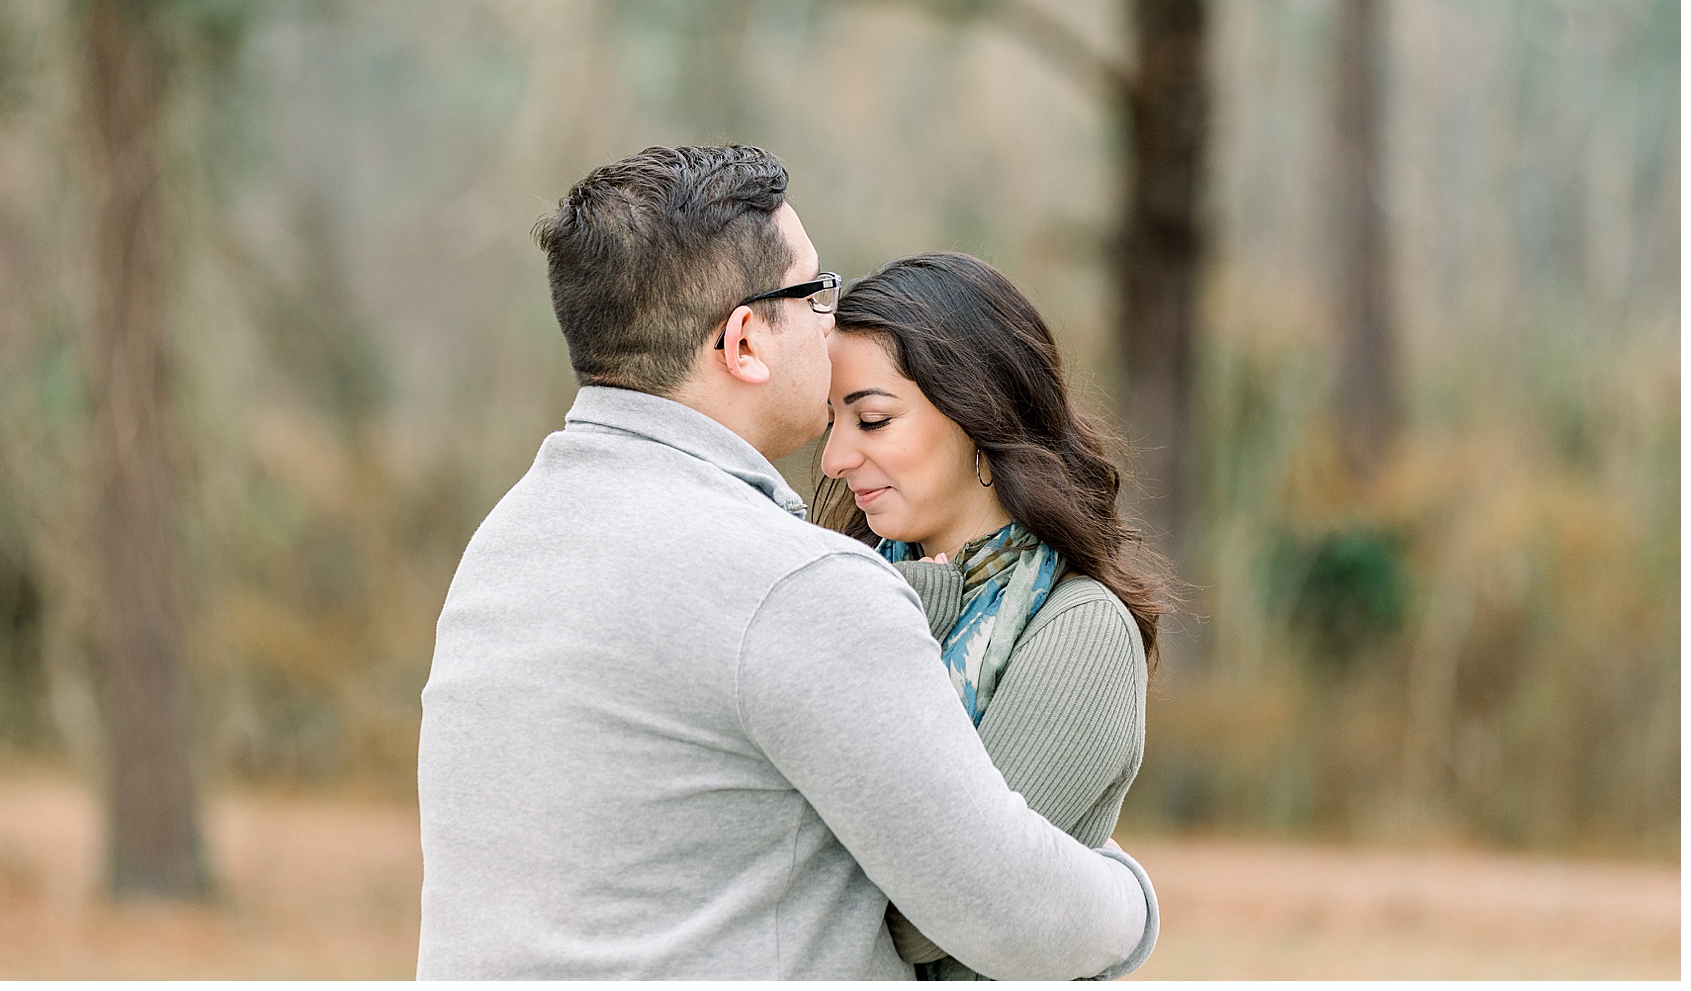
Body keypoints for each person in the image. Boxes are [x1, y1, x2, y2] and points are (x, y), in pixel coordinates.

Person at [416, 145, 1159, 979]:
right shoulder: (795, 586)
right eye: (813, 293)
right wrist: (1131, 897)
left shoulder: (507, 542)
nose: (828, 319)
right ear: (744, 342)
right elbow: (1004, 906)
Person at [815, 251, 1175, 980]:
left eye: (872, 419)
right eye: (832, 422)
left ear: (977, 414)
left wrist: (907, 616)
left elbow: (922, 918)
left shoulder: (1082, 631)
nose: (834, 458)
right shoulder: (839, 588)